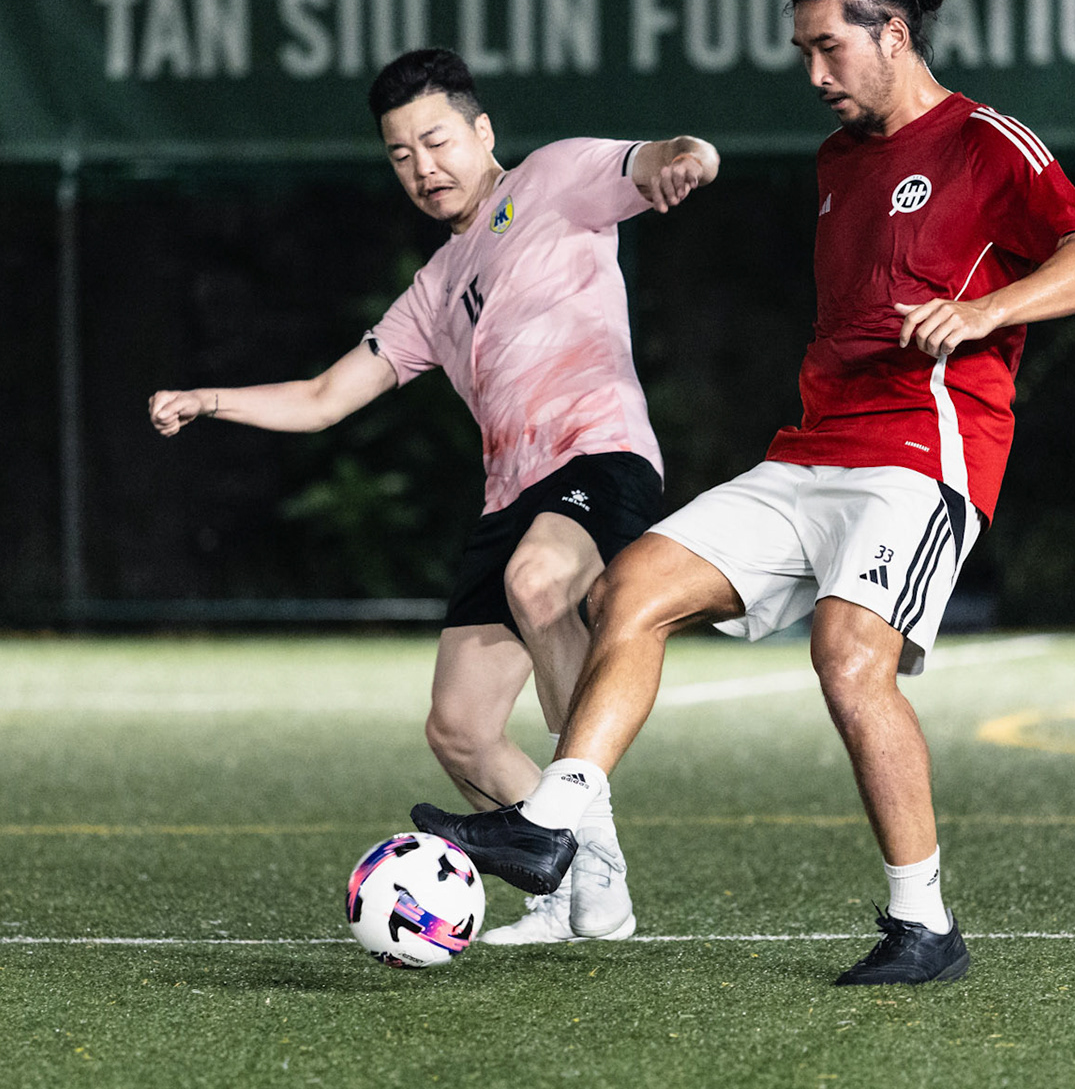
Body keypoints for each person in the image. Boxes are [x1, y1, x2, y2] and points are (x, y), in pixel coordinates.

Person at [411, 0, 1075, 985]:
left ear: (894, 33)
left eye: (829, 48)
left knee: (846, 654)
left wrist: (986, 310)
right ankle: (553, 822)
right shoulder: (839, 162)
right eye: (802, 52)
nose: (814, 74)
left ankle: (923, 922)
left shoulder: (983, 141)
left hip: (921, 456)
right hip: (810, 455)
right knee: (631, 588)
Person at [149, 47, 719, 946]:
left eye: (437, 140)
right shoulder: (433, 290)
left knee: (541, 583)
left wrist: (689, 158)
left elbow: (659, 156)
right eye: (401, 154)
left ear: (481, 131)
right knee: (458, 731)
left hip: (598, 456)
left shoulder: (557, 177)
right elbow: (324, 398)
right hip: (511, 494)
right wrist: (208, 400)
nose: (424, 167)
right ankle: (578, 895)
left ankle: (581, 837)